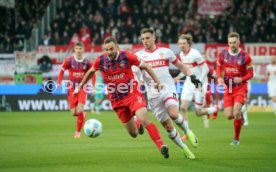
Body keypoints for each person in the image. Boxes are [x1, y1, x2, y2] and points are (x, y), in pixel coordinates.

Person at [74, 36, 170, 159]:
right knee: (134, 134)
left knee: (143, 117)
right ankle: (137, 123)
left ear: (117, 47)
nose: (109, 52)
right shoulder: (101, 60)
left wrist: (157, 81)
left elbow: (145, 66)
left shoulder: (127, 56)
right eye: (106, 49)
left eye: (111, 49)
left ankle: (161, 146)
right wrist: (80, 86)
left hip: (132, 94)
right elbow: (91, 71)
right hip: (117, 101)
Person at [135, 28, 202, 159]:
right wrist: (139, 82)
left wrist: (192, 76)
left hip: (167, 89)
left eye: (147, 38)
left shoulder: (165, 52)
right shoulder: (138, 56)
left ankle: (187, 131)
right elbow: (136, 74)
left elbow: (181, 66)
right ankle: (184, 148)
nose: (145, 41)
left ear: (154, 37)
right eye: (142, 39)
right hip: (153, 96)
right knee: (168, 127)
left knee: (173, 113)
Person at [174, 34, 217, 134]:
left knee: (198, 113)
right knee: (183, 107)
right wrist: (179, 77)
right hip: (189, 82)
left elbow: (205, 68)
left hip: (199, 84)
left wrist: (200, 82)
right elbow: (186, 69)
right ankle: (187, 133)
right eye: (180, 43)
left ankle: (215, 109)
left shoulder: (195, 54)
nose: (182, 45)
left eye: (184, 43)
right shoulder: (181, 54)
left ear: (188, 43)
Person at [216, 32, 254, 145]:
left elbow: (251, 74)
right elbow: (218, 66)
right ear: (228, 43)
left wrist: (241, 79)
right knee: (229, 115)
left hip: (241, 87)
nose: (232, 45)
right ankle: (240, 116)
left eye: (234, 42)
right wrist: (219, 78)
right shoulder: (222, 54)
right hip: (229, 88)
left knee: (236, 112)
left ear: (239, 42)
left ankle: (236, 139)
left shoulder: (245, 56)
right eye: (230, 42)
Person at [57, 42, 93, 138]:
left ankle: (78, 132)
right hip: (71, 88)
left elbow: (93, 73)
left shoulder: (87, 62)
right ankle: (83, 115)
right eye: (77, 48)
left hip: (82, 87)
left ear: (83, 49)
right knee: (74, 113)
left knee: (80, 109)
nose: (78, 50)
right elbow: (61, 71)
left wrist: (93, 86)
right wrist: (59, 82)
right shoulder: (69, 60)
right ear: (74, 49)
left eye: (80, 48)